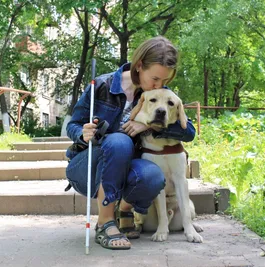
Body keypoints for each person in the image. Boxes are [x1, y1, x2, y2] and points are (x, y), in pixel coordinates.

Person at [66, 36, 195, 250]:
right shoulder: (100, 85)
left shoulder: (158, 95)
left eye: (165, 82)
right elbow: (74, 124)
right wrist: (82, 132)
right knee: (119, 141)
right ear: (139, 66)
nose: (158, 85)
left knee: (153, 175)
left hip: (127, 170)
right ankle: (105, 221)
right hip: (89, 167)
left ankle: (124, 209)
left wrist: (150, 125)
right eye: (155, 79)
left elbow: (188, 131)